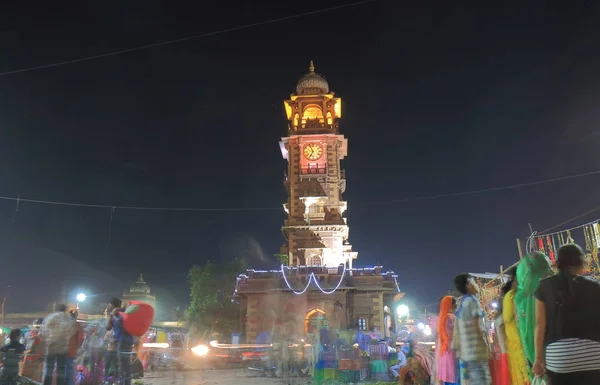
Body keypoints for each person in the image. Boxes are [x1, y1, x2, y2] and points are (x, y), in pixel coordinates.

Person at [533, 243, 600, 384]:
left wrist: (538, 359)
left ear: (558, 263)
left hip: (559, 358)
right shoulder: (595, 286)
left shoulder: (544, 286)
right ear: (582, 262)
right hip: (594, 356)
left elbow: (540, 325)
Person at [514, 252, 553, 365]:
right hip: (558, 354)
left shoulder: (519, 297)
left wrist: (536, 358)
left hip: (535, 356)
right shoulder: (552, 289)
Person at [452, 274, 491, 385]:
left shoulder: (462, 303)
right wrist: (484, 343)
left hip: (467, 353)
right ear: (469, 284)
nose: (476, 284)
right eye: (474, 281)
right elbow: (476, 325)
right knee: (481, 380)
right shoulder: (472, 301)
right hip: (476, 351)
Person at [502, 274, 529, 385]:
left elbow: (507, 317)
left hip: (516, 339)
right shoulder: (512, 295)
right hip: (519, 337)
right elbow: (509, 316)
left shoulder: (513, 295)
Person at [41, 304, 77, 385]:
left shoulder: (50, 317)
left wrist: (47, 339)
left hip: (51, 346)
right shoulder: (67, 318)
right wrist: (66, 339)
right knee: (61, 369)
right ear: (65, 309)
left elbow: (44, 330)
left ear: (56, 309)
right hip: (63, 347)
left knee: (49, 368)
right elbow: (72, 330)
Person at [106, 298, 134, 385]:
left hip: (124, 341)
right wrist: (111, 316)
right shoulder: (116, 313)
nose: (109, 306)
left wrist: (113, 315)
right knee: (123, 364)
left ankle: (125, 382)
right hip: (122, 341)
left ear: (112, 304)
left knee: (123, 365)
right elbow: (108, 327)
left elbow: (120, 324)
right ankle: (125, 382)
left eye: (110, 304)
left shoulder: (123, 314)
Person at [436, 296, 458, 385]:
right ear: (450, 306)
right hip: (452, 348)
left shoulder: (441, 319)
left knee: (446, 377)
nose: (456, 306)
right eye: (455, 305)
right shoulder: (451, 317)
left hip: (444, 349)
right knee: (454, 375)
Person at [66, 310, 84, 385]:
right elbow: (81, 339)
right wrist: (76, 347)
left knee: (63, 370)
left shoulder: (65, 325)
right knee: (70, 370)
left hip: (63, 351)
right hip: (71, 351)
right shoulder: (77, 326)